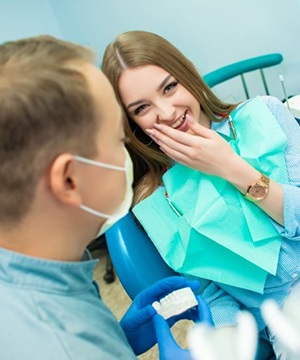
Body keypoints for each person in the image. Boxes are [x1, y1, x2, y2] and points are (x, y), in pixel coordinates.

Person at [0, 35, 203, 359]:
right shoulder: (63, 347)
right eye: (118, 140)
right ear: (69, 180)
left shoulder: (41, 272)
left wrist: (117, 338)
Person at [101, 30, 300, 359]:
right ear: (131, 122)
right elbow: (213, 290)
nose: (166, 112)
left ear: (186, 73)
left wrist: (232, 168)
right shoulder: (154, 199)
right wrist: (223, 342)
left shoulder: (265, 114)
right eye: (141, 108)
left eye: (169, 87)